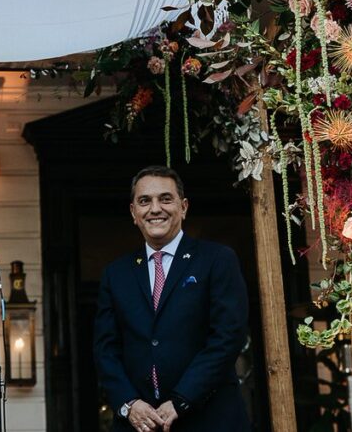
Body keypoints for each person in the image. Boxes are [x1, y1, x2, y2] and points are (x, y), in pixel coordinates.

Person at [94, 165, 249, 432]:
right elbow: (105, 350)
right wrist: (129, 403)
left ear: (184, 207)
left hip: (210, 418)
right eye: (145, 201)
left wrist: (181, 400)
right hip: (139, 424)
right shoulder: (115, 274)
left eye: (165, 199)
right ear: (134, 212)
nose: (155, 209)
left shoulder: (217, 260)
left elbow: (227, 337)